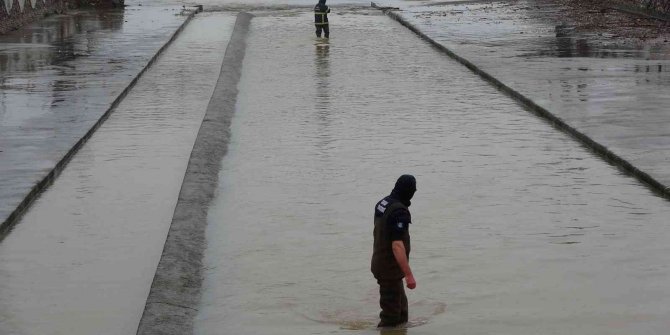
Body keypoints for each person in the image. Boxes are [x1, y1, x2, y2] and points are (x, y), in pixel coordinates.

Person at [371, 175, 417, 328]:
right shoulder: (400, 212)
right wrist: (409, 275)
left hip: (381, 263)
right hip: (389, 270)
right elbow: (397, 245)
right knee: (390, 318)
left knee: (402, 314)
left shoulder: (382, 203)